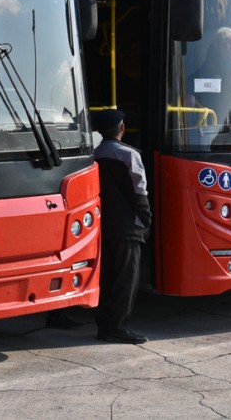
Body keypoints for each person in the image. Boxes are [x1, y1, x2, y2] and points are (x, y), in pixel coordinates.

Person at [92, 108, 150, 344]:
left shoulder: (95, 154)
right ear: (122, 129)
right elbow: (139, 192)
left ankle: (104, 326)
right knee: (127, 278)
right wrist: (146, 219)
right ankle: (117, 326)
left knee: (106, 276)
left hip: (103, 224)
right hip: (128, 226)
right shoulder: (130, 155)